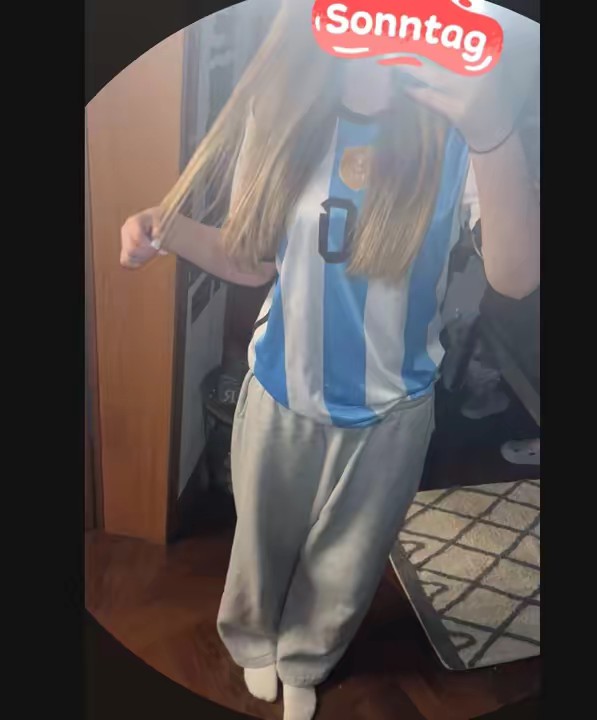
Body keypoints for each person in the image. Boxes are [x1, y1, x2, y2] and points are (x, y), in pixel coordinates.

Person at [119, 4, 539, 719]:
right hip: (282, 388)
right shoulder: (280, 109)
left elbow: (517, 275)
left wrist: (494, 131)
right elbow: (251, 259)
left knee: (348, 560)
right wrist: (169, 229)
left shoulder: (456, 126)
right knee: (262, 538)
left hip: (393, 409)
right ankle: (252, 640)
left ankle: (308, 655)